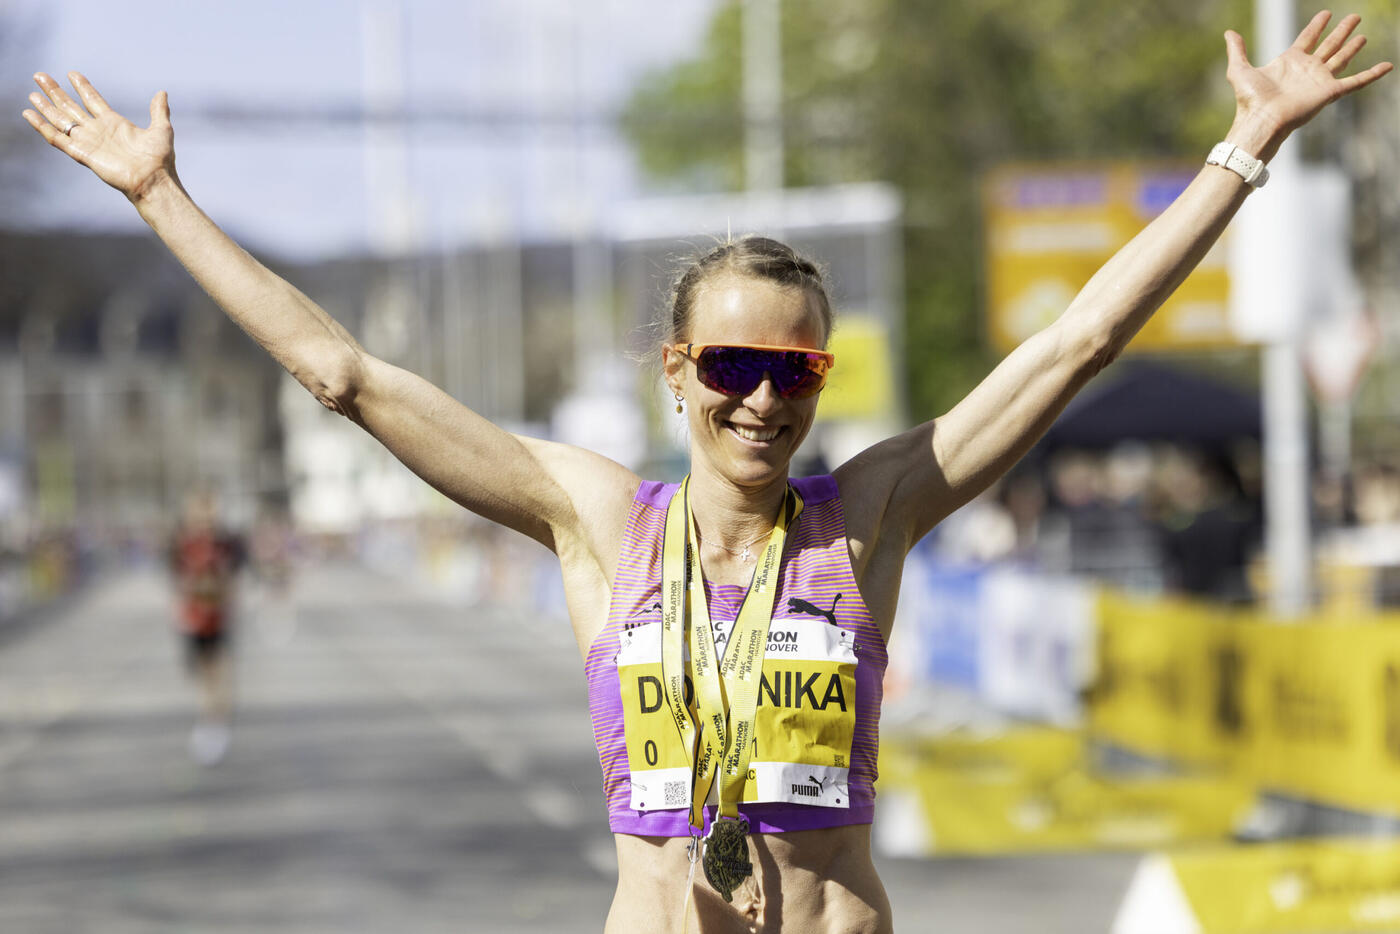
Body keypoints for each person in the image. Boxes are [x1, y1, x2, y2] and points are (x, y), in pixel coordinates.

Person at [21, 11, 1390, 931]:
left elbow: (1075, 343)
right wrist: (159, 199)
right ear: (676, 369)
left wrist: (1241, 152)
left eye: (795, 370)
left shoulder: (870, 513)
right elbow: (347, 376)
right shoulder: (593, 519)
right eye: (732, 363)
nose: (761, 397)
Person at [168, 491, 245, 765]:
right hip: (193, 620)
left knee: (219, 673)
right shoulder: (181, 544)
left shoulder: (227, 544)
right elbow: (177, 579)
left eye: (209, 517)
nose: (204, 523)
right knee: (201, 675)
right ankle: (208, 720)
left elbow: (233, 580)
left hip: (219, 619)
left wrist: (222, 592)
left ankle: (215, 725)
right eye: (199, 517)